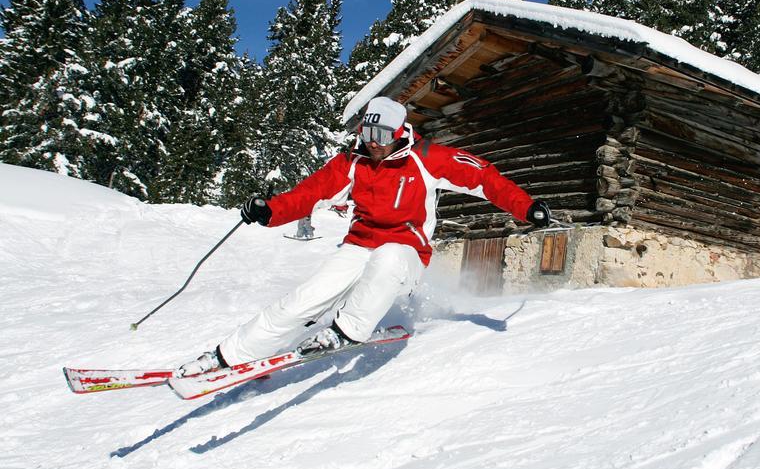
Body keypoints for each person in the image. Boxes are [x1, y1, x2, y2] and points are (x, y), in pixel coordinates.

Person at [177, 96, 550, 376]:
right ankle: (229, 355)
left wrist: (525, 207)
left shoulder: (426, 158)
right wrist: (270, 210)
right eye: (367, 133)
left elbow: (483, 177)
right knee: (305, 299)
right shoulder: (351, 163)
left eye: (382, 134)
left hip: (405, 254)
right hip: (358, 246)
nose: (373, 142)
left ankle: (348, 330)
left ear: (400, 132)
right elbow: (311, 192)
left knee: (388, 257)